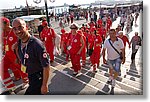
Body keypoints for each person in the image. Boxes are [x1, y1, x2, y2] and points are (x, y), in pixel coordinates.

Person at [12, 18, 51, 95]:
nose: (18, 31)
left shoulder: (37, 45)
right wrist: (17, 57)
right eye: (15, 29)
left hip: (38, 77)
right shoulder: (19, 41)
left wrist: (44, 85)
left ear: (26, 27)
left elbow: (46, 66)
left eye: (20, 27)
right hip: (30, 75)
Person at [0, 17, 28, 93]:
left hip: (16, 55)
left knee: (22, 69)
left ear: (7, 24)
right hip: (7, 55)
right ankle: (10, 86)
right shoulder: (3, 33)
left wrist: (19, 56)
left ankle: (26, 81)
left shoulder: (16, 31)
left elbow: (24, 41)